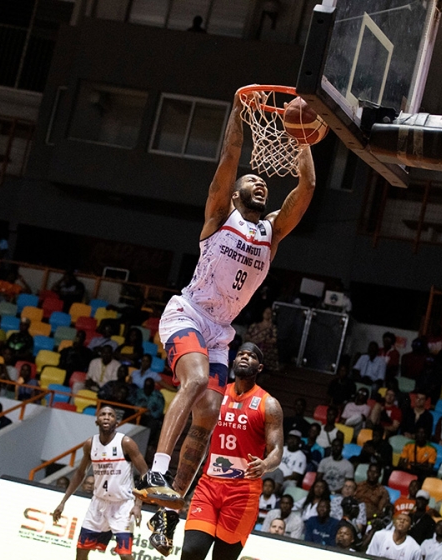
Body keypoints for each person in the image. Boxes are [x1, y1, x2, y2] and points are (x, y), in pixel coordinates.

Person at [135, 87, 317, 525]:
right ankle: (156, 473)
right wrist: (237, 114)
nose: (260, 182)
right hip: (189, 313)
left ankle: (171, 503)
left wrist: (305, 140)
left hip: (221, 329)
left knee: (211, 414)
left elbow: (307, 186)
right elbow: (230, 160)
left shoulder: (271, 234)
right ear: (234, 196)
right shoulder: (221, 215)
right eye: (251, 182)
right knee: (195, 381)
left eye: (264, 183)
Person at [178, 343, 283, 560]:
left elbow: (277, 451)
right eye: (241, 354)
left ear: (260, 367)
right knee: (191, 551)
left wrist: (265, 464)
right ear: (233, 362)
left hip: (242, 492)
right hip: (209, 484)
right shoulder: (216, 394)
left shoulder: (269, 404)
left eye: (251, 356)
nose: (245, 358)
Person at [52, 406, 148, 560]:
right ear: (97, 420)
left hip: (123, 504)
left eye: (111, 415)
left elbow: (144, 472)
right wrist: (63, 501)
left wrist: (138, 505)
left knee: (125, 554)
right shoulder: (90, 444)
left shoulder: (126, 442)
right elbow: (79, 473)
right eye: (103, 414)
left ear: (116, 421)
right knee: (81, 551)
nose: (106, 417)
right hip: (98, 503)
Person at [245, 307, 279, 374]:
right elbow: (247, 336)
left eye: (269, 313)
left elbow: (274, 340)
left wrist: (263, 340)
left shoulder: (272, 328)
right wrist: (254, 341)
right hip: (252, 346)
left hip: (265, 349)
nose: (267, 314)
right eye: (266, 312)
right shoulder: (254, 325)